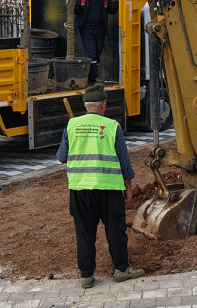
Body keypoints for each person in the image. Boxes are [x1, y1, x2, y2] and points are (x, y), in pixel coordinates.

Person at [57, 83, 144, 288]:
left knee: (84, 232)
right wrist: (128, 187)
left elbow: (61, 157)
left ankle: (87, 276)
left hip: (80, 190)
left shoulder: (72, 125)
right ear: (103, 105)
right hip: (109, 189)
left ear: (87, 105)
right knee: (115, 230)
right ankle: (121, 270)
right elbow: (124, 161)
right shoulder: (112, 126)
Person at [74, 0, 118, 82]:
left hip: (100, 30)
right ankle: (94, 78)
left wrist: (117, 1)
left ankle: (91, 78)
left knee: (97, 54)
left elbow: (112, 10)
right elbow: (77, 10)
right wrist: (71, 4)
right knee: (91, 54)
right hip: (86, 29)